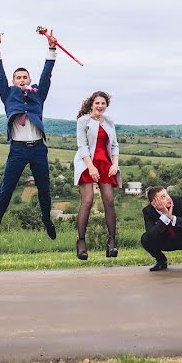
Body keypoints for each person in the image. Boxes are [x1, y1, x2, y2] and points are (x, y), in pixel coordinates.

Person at [0, 31, 59, 243]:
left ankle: (47, 219)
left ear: (30, 80)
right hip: (17, 149)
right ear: (14, 81)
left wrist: (51, 49)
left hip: (37, 148)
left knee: (44, 188)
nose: (22, 80)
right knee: (6, 189)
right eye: (18, 77)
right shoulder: (8, 94)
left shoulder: (38, 94)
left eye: (25, 77)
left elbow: (47, 75)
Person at [73, 91, 121, 260]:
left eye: (103, 104)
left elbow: (114, 145)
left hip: (105, 164)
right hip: (87, 163)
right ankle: (81, 243)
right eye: (97, 103)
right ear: (91, 104)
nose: (100, 106)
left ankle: (112, 242)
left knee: (109, 200)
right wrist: (91, 167)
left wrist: (115, 164)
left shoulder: (109, 121)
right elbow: (82, 146)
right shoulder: (83, 121)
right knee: (87, 201)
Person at [141, 186, 182, 271]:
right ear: (154, 203)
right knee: (145, 238)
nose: (168, 198)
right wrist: (164, 216)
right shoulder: (148, 211)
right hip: (164, 241)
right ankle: (161, 261)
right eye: (163, 197)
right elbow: (151, 235)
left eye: (167, 195)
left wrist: (171, 217)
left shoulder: (177, 201)